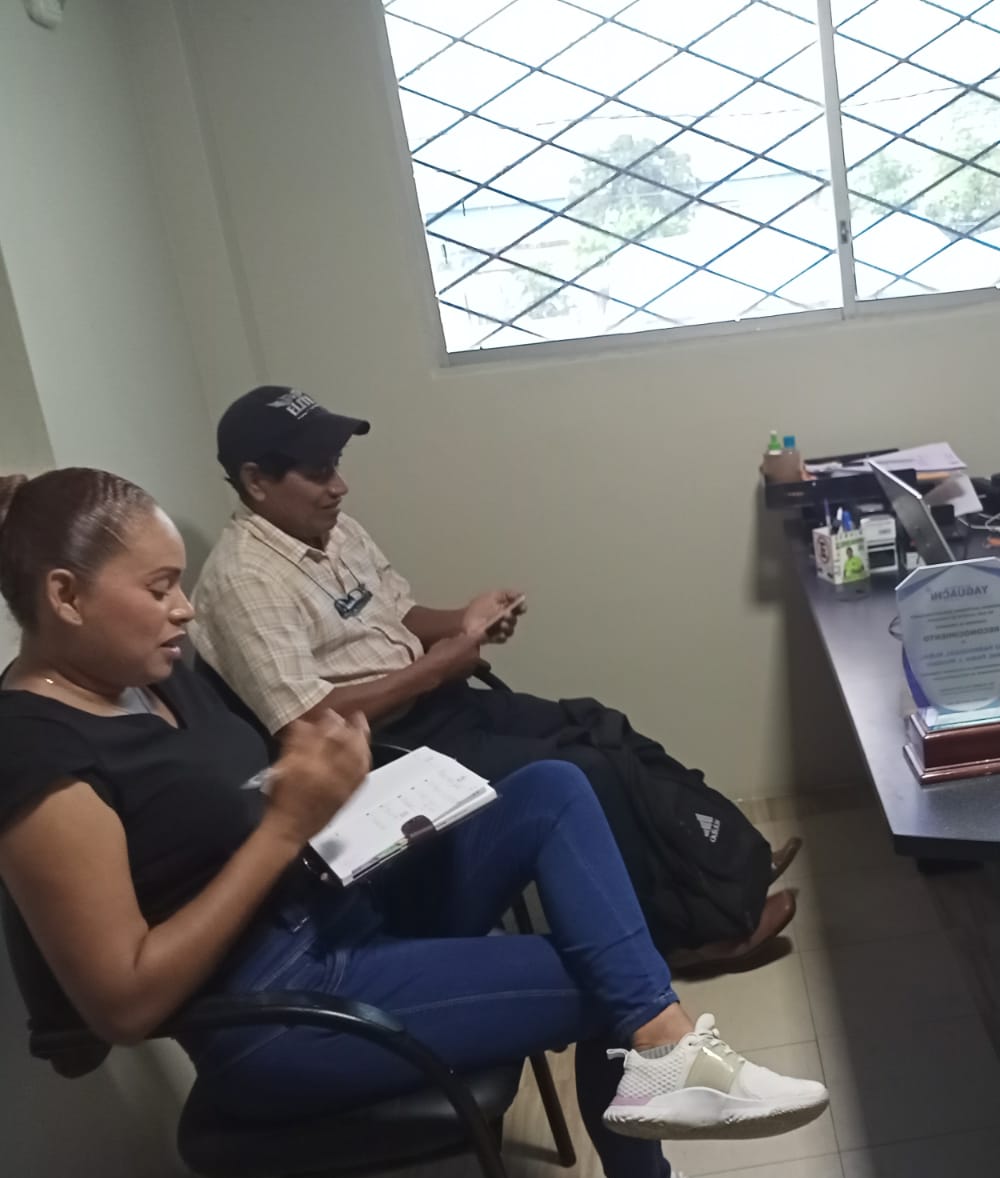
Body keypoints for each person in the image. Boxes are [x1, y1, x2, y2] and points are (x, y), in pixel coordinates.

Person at [0, 469, 829, 1178]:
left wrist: (329, 786)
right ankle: (654, 1147)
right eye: (158, 589)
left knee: (552, 786)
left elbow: (243, 792)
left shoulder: (151, 671)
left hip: (335, 903)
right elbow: (125, 1002)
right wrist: (285, 827)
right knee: (606, 984)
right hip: (275, 1012)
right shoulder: (38, 756)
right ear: (66, 596)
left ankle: (668, 1054)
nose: (183, 607)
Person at [187, 387, 801, 972]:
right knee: (586, 771)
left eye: (337, 465)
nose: (339, 485)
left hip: (437, 702)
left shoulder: (334, 529)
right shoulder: (245, 580)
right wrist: (434, 668)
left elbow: (397, 613)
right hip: (384, 754)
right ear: (256, 481)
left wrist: (467, 621)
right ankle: (680, 937)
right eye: (319, 471)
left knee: (599, 725)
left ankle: (727, 869)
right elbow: (306, 720)